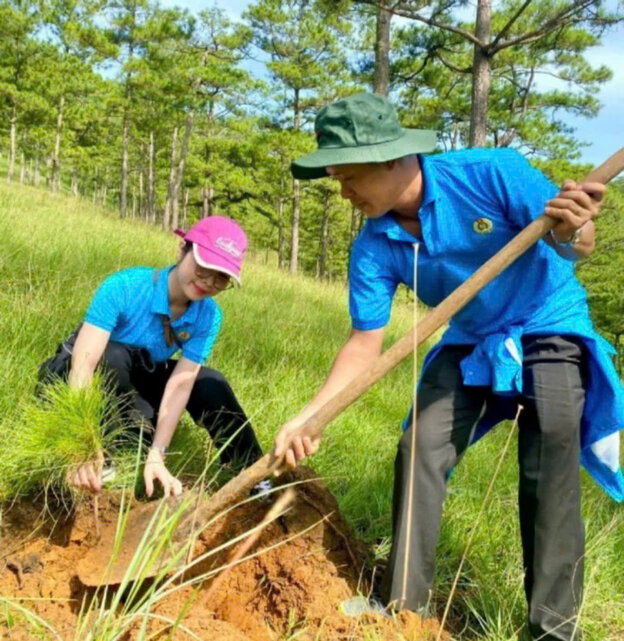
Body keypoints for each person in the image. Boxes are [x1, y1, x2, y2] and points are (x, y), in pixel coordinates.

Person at [273, 92, 624, 641]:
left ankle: (553, 628)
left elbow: (575, 243)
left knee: (550, 453)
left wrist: (571, 227)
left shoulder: (491, 173)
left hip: (548, 324)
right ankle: (404, 608)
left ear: (391, 158)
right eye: (336, 179)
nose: (343, 192)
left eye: (348, 177)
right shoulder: (374, 244)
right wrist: (310, 416)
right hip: (470, 340)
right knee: (420, 446)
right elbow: (366, 343)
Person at [39, 216, 265, 498]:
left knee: (211, 382)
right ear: (182, 249)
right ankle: (106, 451)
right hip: (82, 376)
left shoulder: (208, 315)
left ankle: (254, 473)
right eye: (203, 266)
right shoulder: (124, 287)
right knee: (113, 355)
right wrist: (80, 442)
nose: (208, 281)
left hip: (136, 377)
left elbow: (182, 383)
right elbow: (84, 365)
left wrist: (158, 453)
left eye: (221, 277)